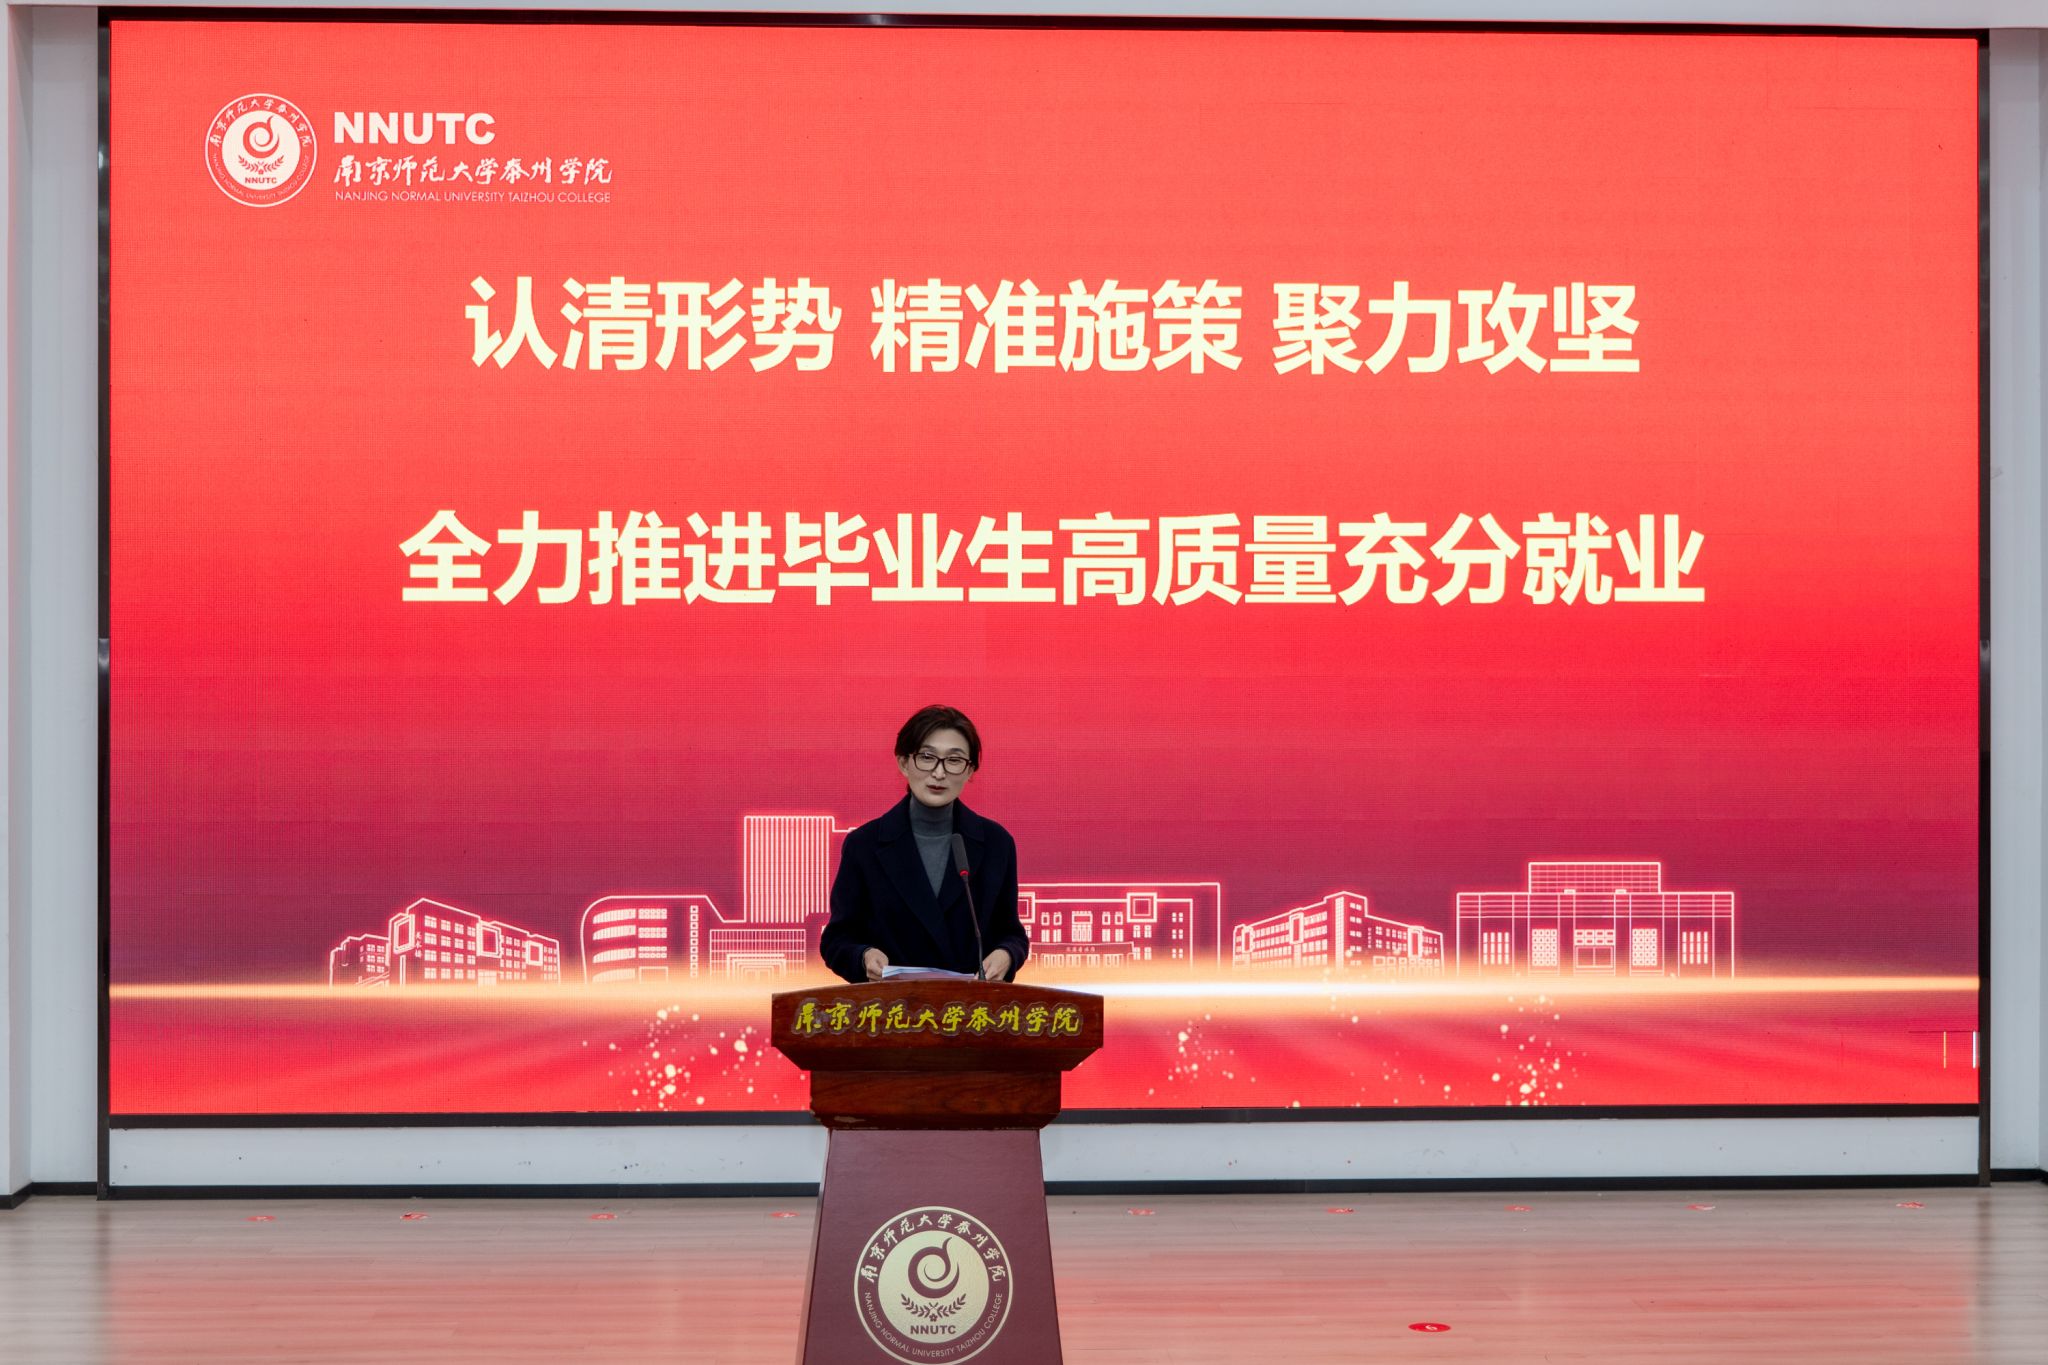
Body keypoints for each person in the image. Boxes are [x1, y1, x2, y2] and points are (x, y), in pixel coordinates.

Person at [820, 704, 1029, 984]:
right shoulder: (864, 845)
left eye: (954, 760)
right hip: (894, 1007)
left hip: (970, 1007)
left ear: (970, 770)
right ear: (903, 762)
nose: (939, 773)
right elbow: (837, 939)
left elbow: (1011, 933)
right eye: (927, 757)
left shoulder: (996, 843)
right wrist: (863, 956)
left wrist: (1007, 954)